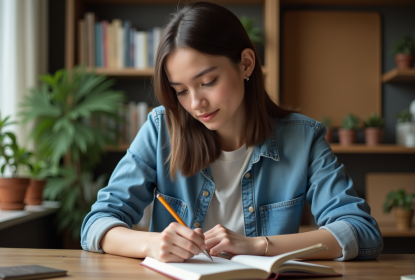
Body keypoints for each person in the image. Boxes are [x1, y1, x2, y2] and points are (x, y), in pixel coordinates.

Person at [81, 1, 383, 263]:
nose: (196, 103)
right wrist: (152, 243)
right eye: (181, 91)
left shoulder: (303, 139)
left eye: (208, 81)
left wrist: (257, 246)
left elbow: (362, 232)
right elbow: (97, 223)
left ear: (246, 64)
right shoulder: (162, 129)